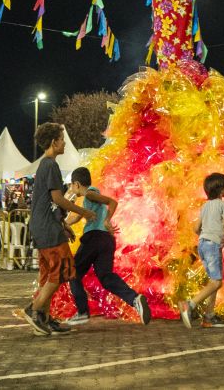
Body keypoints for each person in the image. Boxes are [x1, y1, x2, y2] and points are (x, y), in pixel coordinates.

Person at [18, 122, 95, 336]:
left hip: (45, 225)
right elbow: (57, 198)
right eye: (61, 139)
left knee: (49, 273)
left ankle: (44, 316)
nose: (64, 143)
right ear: (54, 142)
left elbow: (48, 203)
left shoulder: (45, 165)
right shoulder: (50, 165)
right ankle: (34, 310)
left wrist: (63, 225)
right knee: (62, 269)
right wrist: (84, 212)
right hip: (46, 227)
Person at [63, 166, 151, 325]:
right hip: (106, 241)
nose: (70, 189)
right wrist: (62, 223)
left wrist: (107, 220)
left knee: (73, 272)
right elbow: (75, 218)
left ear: (76, 184)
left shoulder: (89, 193)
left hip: (94, 238)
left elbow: (112, 202)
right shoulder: (88, 200)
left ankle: (82, 312)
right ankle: (134, 299)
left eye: (71, 185)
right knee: (106, 277)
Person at [181, 172, 224, 328]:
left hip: (203, 245)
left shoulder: (205, 206)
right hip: (212, 246)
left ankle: (209, 316)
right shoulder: (223, 205)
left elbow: (195, 228)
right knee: (216, 282)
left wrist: (204, 236)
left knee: (215, 281)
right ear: (221, 190)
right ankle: (189, 305)